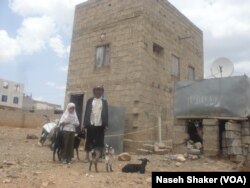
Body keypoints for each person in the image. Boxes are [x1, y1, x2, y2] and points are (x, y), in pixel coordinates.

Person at [84, 86, 108, 162]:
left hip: (100, 124)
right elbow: (86, 112)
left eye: (100, 91)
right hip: (91, 123)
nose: (98, 92)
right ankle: (87, 157)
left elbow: (106, 113)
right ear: (94, 91)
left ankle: (98, 157)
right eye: (97, 90)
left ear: (102, 92)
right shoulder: (90, 101)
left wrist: (106, 124)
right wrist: (85, 123)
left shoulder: (104, 102)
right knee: (89, 140)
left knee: (99, 141)